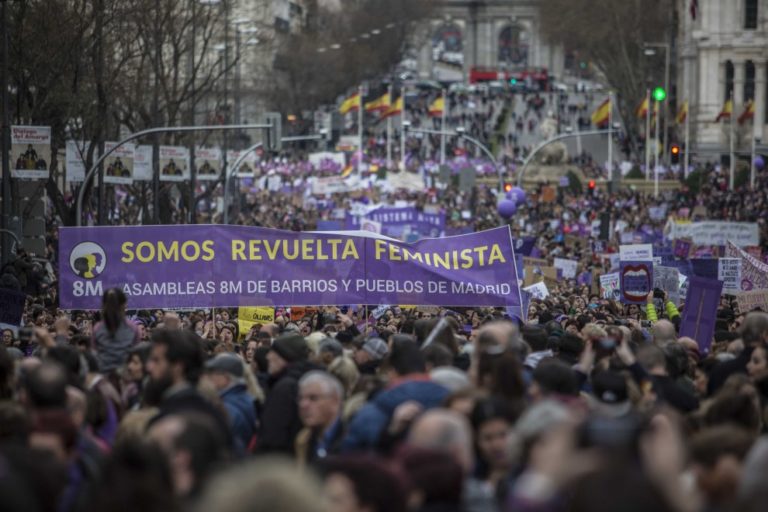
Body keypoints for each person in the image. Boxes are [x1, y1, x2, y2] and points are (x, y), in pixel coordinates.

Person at [342, 338, 450, 451]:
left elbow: (349, 451)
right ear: (426, 368)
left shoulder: (374, 406)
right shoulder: (450, 401)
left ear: (392, 371)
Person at [258, 332, 319, 454]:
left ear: (284, 357)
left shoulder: (285, 388)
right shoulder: (304, 380)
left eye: (273, 352)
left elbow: (273, 436)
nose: (268, 357)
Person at [203, 353, 257, 452]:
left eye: (214, 374)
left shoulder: (229, 409)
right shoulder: (244, 398)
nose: (210, 378)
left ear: (225, 378)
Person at [296, 371, 345, 468]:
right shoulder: (303, 440)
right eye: (300, 398)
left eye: (313, 398)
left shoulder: (351, 441)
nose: (303, 405)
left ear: (334, 401)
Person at [91, 288, 139, 379]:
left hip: (102, 380)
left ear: (103, 305)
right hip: (126, 379)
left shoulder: (97, 328)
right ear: (124, 305)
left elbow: (94, 355)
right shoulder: (133, 328)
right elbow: (135, 355)